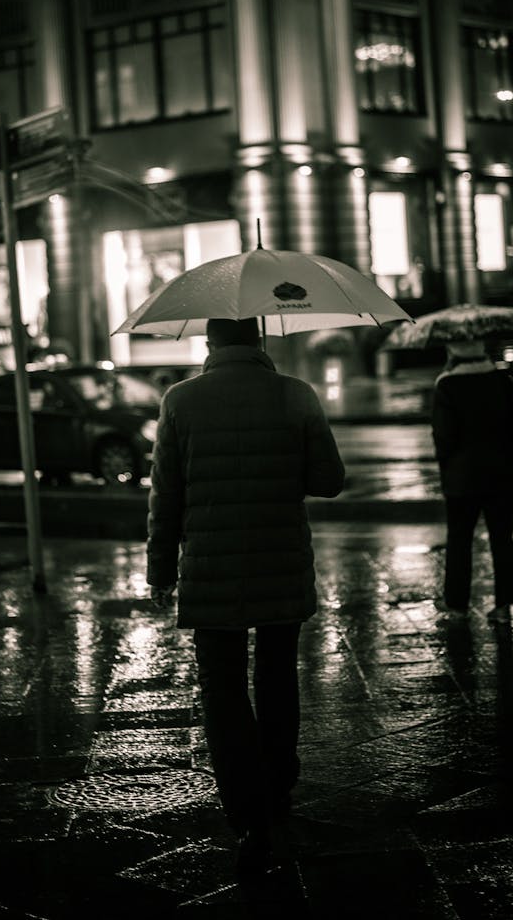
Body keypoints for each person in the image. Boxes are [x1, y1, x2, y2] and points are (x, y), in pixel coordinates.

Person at [146, 317, 345, 877]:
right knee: (278, 677)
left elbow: (167, 496)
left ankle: (246, 808)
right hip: (281, 565)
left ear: (209, 343)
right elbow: (329, 479)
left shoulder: (179, 401)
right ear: (260, 339)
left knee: (223, 690)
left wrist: (160, 571)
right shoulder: (296, 394)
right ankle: (278, 785)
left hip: (211, 571)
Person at [431, 339, 513, 627]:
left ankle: (457, 608)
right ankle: (504, 606)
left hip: (462, 479)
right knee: (502, 539)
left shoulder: (447, 385)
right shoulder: (500, 379)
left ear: (453, 351)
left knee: (459, 541)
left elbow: (444, 438)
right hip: (501, 473)